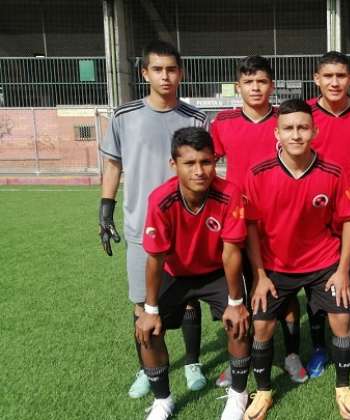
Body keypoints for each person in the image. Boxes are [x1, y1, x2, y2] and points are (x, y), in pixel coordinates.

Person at [98, 40, 210, 399]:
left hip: (186, 228)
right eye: (158, 69)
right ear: (145, 73)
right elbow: (113, 164)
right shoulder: (123, 116)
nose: (165, 76)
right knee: (140, 302)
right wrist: (105, 209)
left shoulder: (196, 118)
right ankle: (148, 370)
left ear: (181, 73)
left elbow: (204, 170)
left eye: (172, 69)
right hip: (139, 229)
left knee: (189, 298)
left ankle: (192, 363)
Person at [243, 99, 350, 420]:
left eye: (303, 128)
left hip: (324, 263)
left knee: (342, 320)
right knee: (262, 326)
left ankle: (342, 385)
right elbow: (250, 227)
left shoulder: (334, 171)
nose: (296, 135)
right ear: (276, 133)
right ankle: (264, 391)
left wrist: (342, 271)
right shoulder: (257, 173)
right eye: (289, 128)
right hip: (275, 267)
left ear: (315, 131)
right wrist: (259, 275)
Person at [135, 127, 251, 420]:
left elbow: (231, 252)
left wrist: (236, 304)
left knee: (239, 323)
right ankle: (163, 400)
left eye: (206, 162)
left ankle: (238, 396)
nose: (199, 171)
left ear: (215, 161)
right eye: (190, 163)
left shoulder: (229, 193)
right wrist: (149, 309)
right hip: (175, 274)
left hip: (215, 272)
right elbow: (155, 257)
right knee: (145, 328)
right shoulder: (161, 199)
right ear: (174, 165)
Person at [209, 55, 306, 385]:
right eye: (248, 82)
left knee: (287, 292)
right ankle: (240, 356)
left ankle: (292, 354)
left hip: (280, 221)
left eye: (262, 81)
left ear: (272, 86)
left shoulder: (285, 121)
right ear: (238, 87)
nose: (255, 88)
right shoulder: (222, 122)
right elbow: (208, 167)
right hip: (237, 222)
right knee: (241, 292)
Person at [305, 51, 350, 378]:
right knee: (316, 285)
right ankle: (320, 347)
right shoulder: (304, 114)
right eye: (328, 76)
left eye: (341, 76)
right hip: (316, 212)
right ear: (317, 79)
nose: (335, 82)